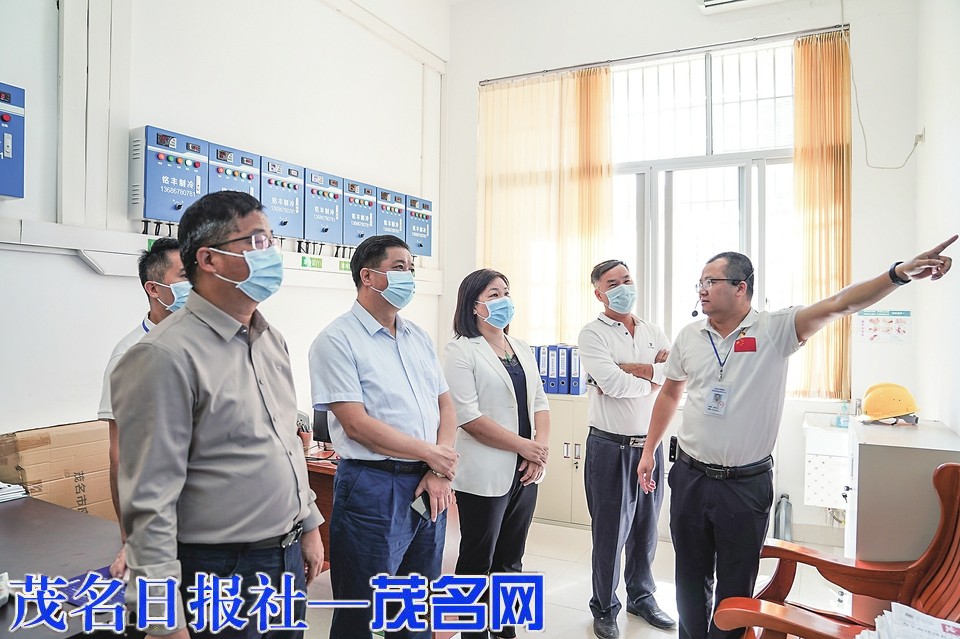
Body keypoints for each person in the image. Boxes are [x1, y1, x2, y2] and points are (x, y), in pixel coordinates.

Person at [637, 235, 957, 639]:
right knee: (688, 577)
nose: (701, 289)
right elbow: (670, 393)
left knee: (736, 583)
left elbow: (841, 303)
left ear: (741, 287)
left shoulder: (775, 329)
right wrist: (649, 451)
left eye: (710, 281)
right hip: (691, 476)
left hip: (744, 484)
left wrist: (899, 274)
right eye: (699, 282)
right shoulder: (689, 335)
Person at [112, 191, 325, 639]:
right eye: (256, 241)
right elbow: (149, 503)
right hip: (218, 570)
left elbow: (287, 444)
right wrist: (163, 621)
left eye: (271, 241)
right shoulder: (162, 355)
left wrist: (308, 525)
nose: (271, 254)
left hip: (284, 558)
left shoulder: (271, 339)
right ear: (208, 259)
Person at [308, 234, 458, 639]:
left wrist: (438, 468)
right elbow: (356, 425)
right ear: (368, 277)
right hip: (373, 485)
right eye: (399, 267)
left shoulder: (418, 337)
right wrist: (433, 454)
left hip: (428, 483)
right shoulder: (336, 340)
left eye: (411, 268)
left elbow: (446, 407)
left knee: (416, 605)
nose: (409, 276)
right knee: (364, 608)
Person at [443, 269, 551, 639]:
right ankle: (472, 632)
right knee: (477, 560)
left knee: (511, 558)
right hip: (484, 472)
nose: (503, 300)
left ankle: (504, 630)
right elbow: (469, 418)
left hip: (525, 471)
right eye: (493, 294)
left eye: (506, 292)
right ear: (473, 305)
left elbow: (540, 402)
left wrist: (538, 451)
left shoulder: (520, 347)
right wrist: (525, 446)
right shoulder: (460, 350)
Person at [577, 260, 676, 639]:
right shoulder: (592, 334)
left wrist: (635, 369)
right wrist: (654, 375)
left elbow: (677, 379)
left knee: (646, 530)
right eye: (613, 283)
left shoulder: (653, 331)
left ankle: (641, 597)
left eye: (627, 280)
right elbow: (613, 385)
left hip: (650, 446)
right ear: (599, 293)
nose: (623, 288)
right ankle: (604, 607)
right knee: (610, 534)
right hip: (610, 447)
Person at [98, 237, 191, 579]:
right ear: (154, 289)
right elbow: (121, 456)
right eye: (186, 276)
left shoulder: (213, 341)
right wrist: (131, 536)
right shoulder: (131, 356)